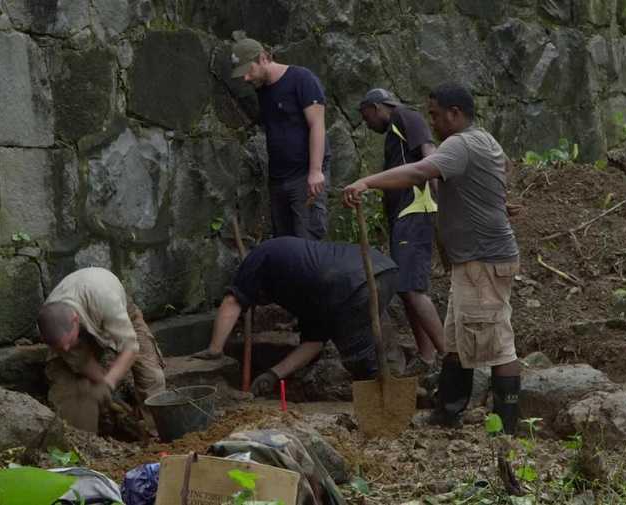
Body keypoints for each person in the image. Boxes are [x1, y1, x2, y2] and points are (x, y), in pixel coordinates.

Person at [343, 83, 521, 434]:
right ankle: (448, 413)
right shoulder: (485, 140)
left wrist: (366, 182)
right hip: (474, 260)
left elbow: (418, 172)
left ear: (455, 113)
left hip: (483, 261)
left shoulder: (461, 143)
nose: (433, 123)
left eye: (436, 115)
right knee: (455, 340)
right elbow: (495, 176)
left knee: (498, 345)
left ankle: (507, 429)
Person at [190, 236, 398, 395]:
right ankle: (388, 385)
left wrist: (215, 349)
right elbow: (313, 343)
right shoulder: (305, 292)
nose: (263, 302)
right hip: (383, 269)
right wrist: (272, 375)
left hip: (351, 281)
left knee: (358, 356)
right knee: (364, 343)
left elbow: (232, 301)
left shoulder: (258, 258)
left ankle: (384, 400)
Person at [358, 88, 445, 377]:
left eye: (366, 116)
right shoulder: (395, 131)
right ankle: (427, 357)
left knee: (412, 289)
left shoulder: (405, 116)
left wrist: (441, 203)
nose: (367, 123)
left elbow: (430, 156)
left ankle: (450, 358)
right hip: (404, 217)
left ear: (376, 107)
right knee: (406, 288)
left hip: (415, 212)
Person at [37, 267, 166, 434]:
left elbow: (131, 348)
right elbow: (81, 360)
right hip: (84, 320)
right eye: (61, 347)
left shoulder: (105, 299)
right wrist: (101, 384)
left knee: (151, 376)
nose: (66, 349)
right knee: (69, 382)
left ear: (74, 320)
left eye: (68, 343)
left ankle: (156, 432)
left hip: (113, 307)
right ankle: (86, 435)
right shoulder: (49, 321)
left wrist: (108, 383)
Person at [231, 36, 330, 240]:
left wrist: (315, 171)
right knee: (283, 244)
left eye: (249, 70)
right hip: (278, 178)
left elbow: (317, 125)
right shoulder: (262, 90)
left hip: (305, 175)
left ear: (263, 58)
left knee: (306, 242)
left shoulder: (301, 79)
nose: (246, 79)